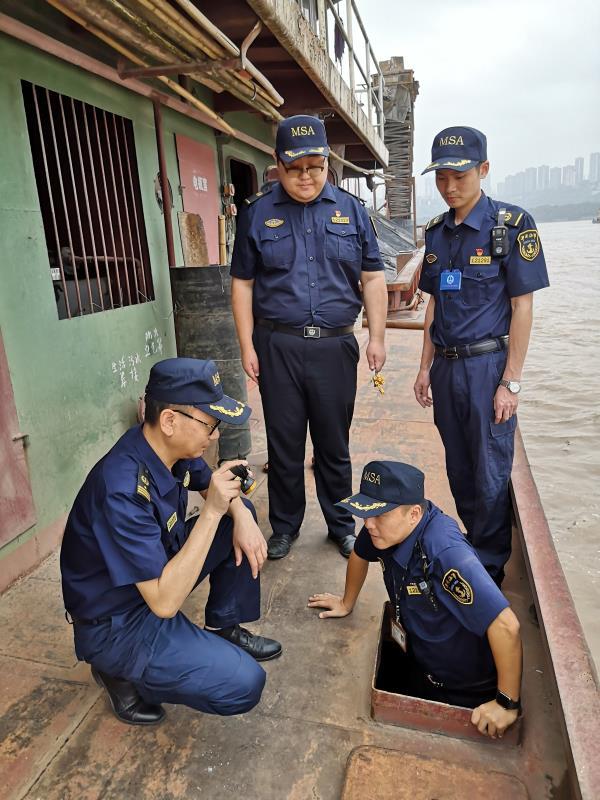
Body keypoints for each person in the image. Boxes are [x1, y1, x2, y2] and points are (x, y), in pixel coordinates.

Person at [60, 357, 282, 726]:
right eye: (210, 425)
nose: (215, 436)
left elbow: (209, 482)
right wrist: (211, 511)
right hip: (118, 621)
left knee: (239, 514)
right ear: (169, 421)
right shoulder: (121, 489)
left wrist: (240, 512)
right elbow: (164, 603)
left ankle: (223, 626)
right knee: (244, 683)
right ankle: (118, 670)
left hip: (153, 575)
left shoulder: (166, 450)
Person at [230, 114, 388, 561]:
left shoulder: (352, 212)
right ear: (278, 163)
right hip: (278, 346)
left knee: (333, 444)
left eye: (315, 167)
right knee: (284, 443)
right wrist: (247, 346)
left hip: (336, 346)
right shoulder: (257, 215)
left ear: (327, 163)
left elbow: (373, 278)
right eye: (296, 167)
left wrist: (376, 337)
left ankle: (341, 524)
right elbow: (242, 284)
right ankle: (285, 527)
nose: (306, 177)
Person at [413, 127, 549, 583]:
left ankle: (489, 565)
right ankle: (475, 542)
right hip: (447, 366)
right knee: (459, 463)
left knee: (490, 468)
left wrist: (511, 381)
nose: (450, 187)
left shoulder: (511, 225)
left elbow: (522, 305)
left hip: (488, 366)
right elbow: (434, 303)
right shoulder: (437, 233)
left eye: (460, 176)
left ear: (483, 170)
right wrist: (423, 366)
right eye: (442, 178)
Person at [308, 461, 523, 739]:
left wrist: (506, 703)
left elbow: (507, 626)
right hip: (420, 662)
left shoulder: (446, 553)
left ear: (414, 514)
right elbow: (360, 554)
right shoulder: (383, 528)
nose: (368, 525)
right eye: (366, 513)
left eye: (379, 515)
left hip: (464, 687)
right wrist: (346, 602)